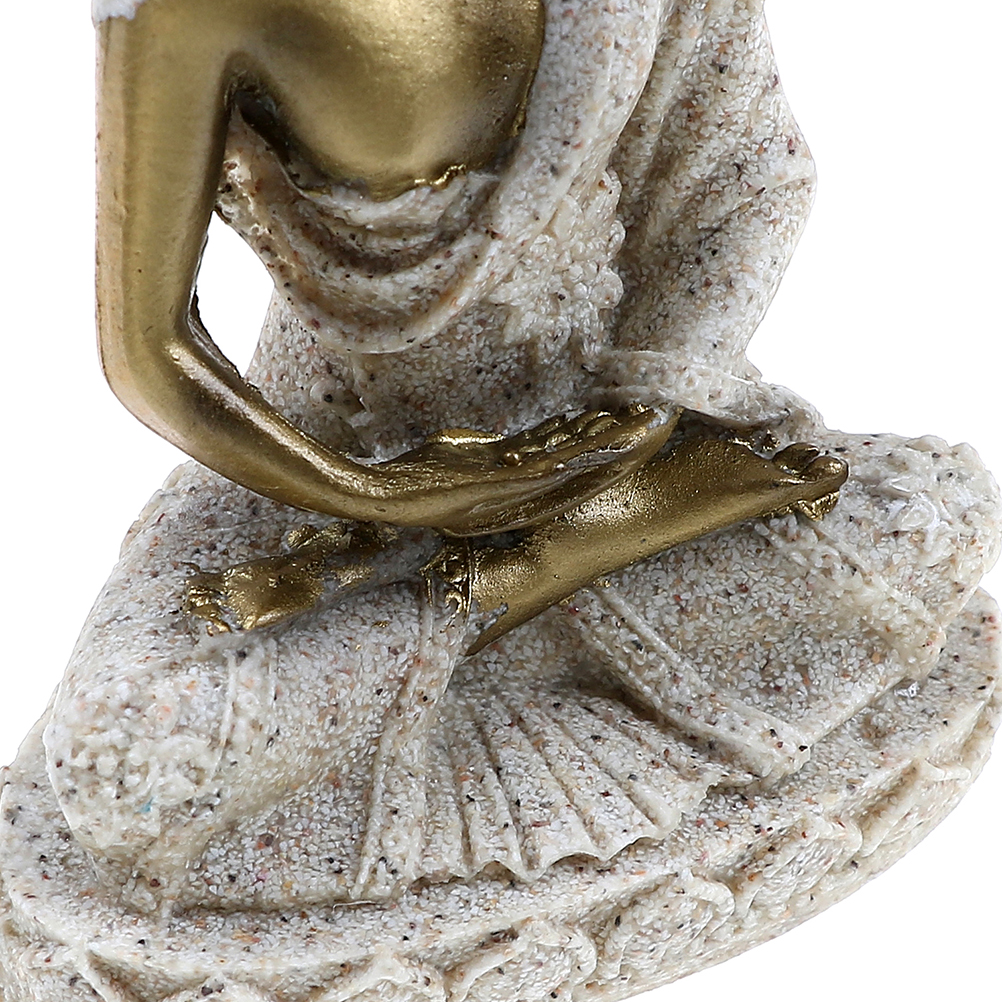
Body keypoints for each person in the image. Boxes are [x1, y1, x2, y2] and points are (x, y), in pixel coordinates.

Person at [38, 0, 994, 921]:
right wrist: (382, 494)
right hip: (313, 459)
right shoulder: (180, 8)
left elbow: (748, 174)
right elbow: (148, 352)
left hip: (599, 434)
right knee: (126, 759)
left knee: (938, 510)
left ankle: (532, 575)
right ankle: (509, 590)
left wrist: (643, 409)